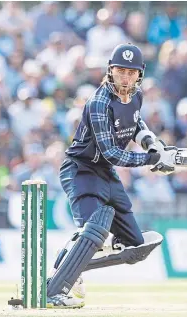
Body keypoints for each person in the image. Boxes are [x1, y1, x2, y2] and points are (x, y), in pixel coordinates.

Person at [45, 43, 176, 308]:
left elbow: (136, 123)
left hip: (106, 173)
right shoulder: (99, 103)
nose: (125, 77)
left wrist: (152, 143)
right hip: (81, 170)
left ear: (139, 75)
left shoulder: (137, 95)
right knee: (95, 227)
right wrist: (150, 160)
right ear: (110, 70)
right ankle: (55, 287)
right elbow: (112, 154)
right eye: (120, 71)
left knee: (136, 245)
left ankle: (74, 264)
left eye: (131, 72)